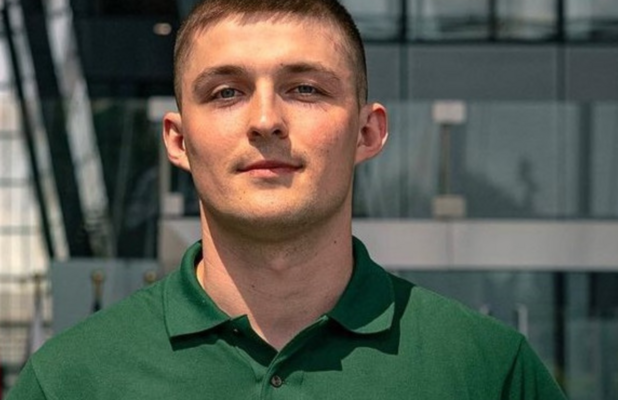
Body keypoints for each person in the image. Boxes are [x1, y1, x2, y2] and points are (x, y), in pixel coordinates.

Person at [8, 0, 566, 398]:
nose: (266, 120)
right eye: (226, 92)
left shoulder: (486, 371)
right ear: (178, 141)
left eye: (305, 89)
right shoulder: (69, 381)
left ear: (367, 133)